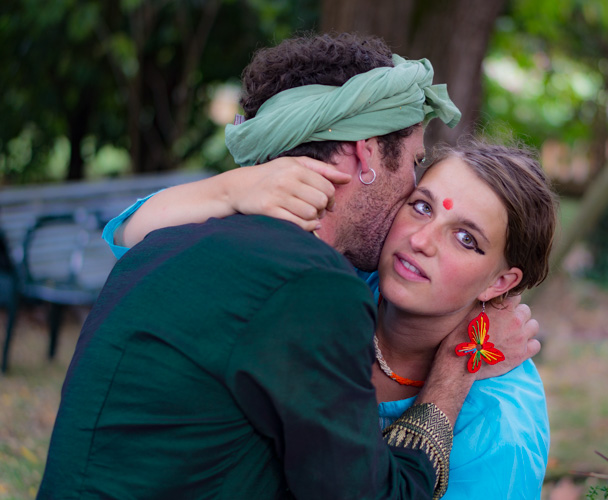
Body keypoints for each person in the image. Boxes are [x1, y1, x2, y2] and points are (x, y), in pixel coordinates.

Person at [38, 33, 540, 499]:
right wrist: (456, 367)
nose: (415, 208)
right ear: (366, 154)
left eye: (465, 238)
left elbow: (128, 229)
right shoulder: (313, 288)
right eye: (413, 166)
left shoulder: (168, 242)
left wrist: (229, 189)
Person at [105, 138, 557, 499]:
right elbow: (130, 234)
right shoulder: (339, 282)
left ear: (499, 283)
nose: (422, 240)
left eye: (465, 238)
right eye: (421, 206)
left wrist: (456, 374)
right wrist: (234, 188)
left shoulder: (502, 428)